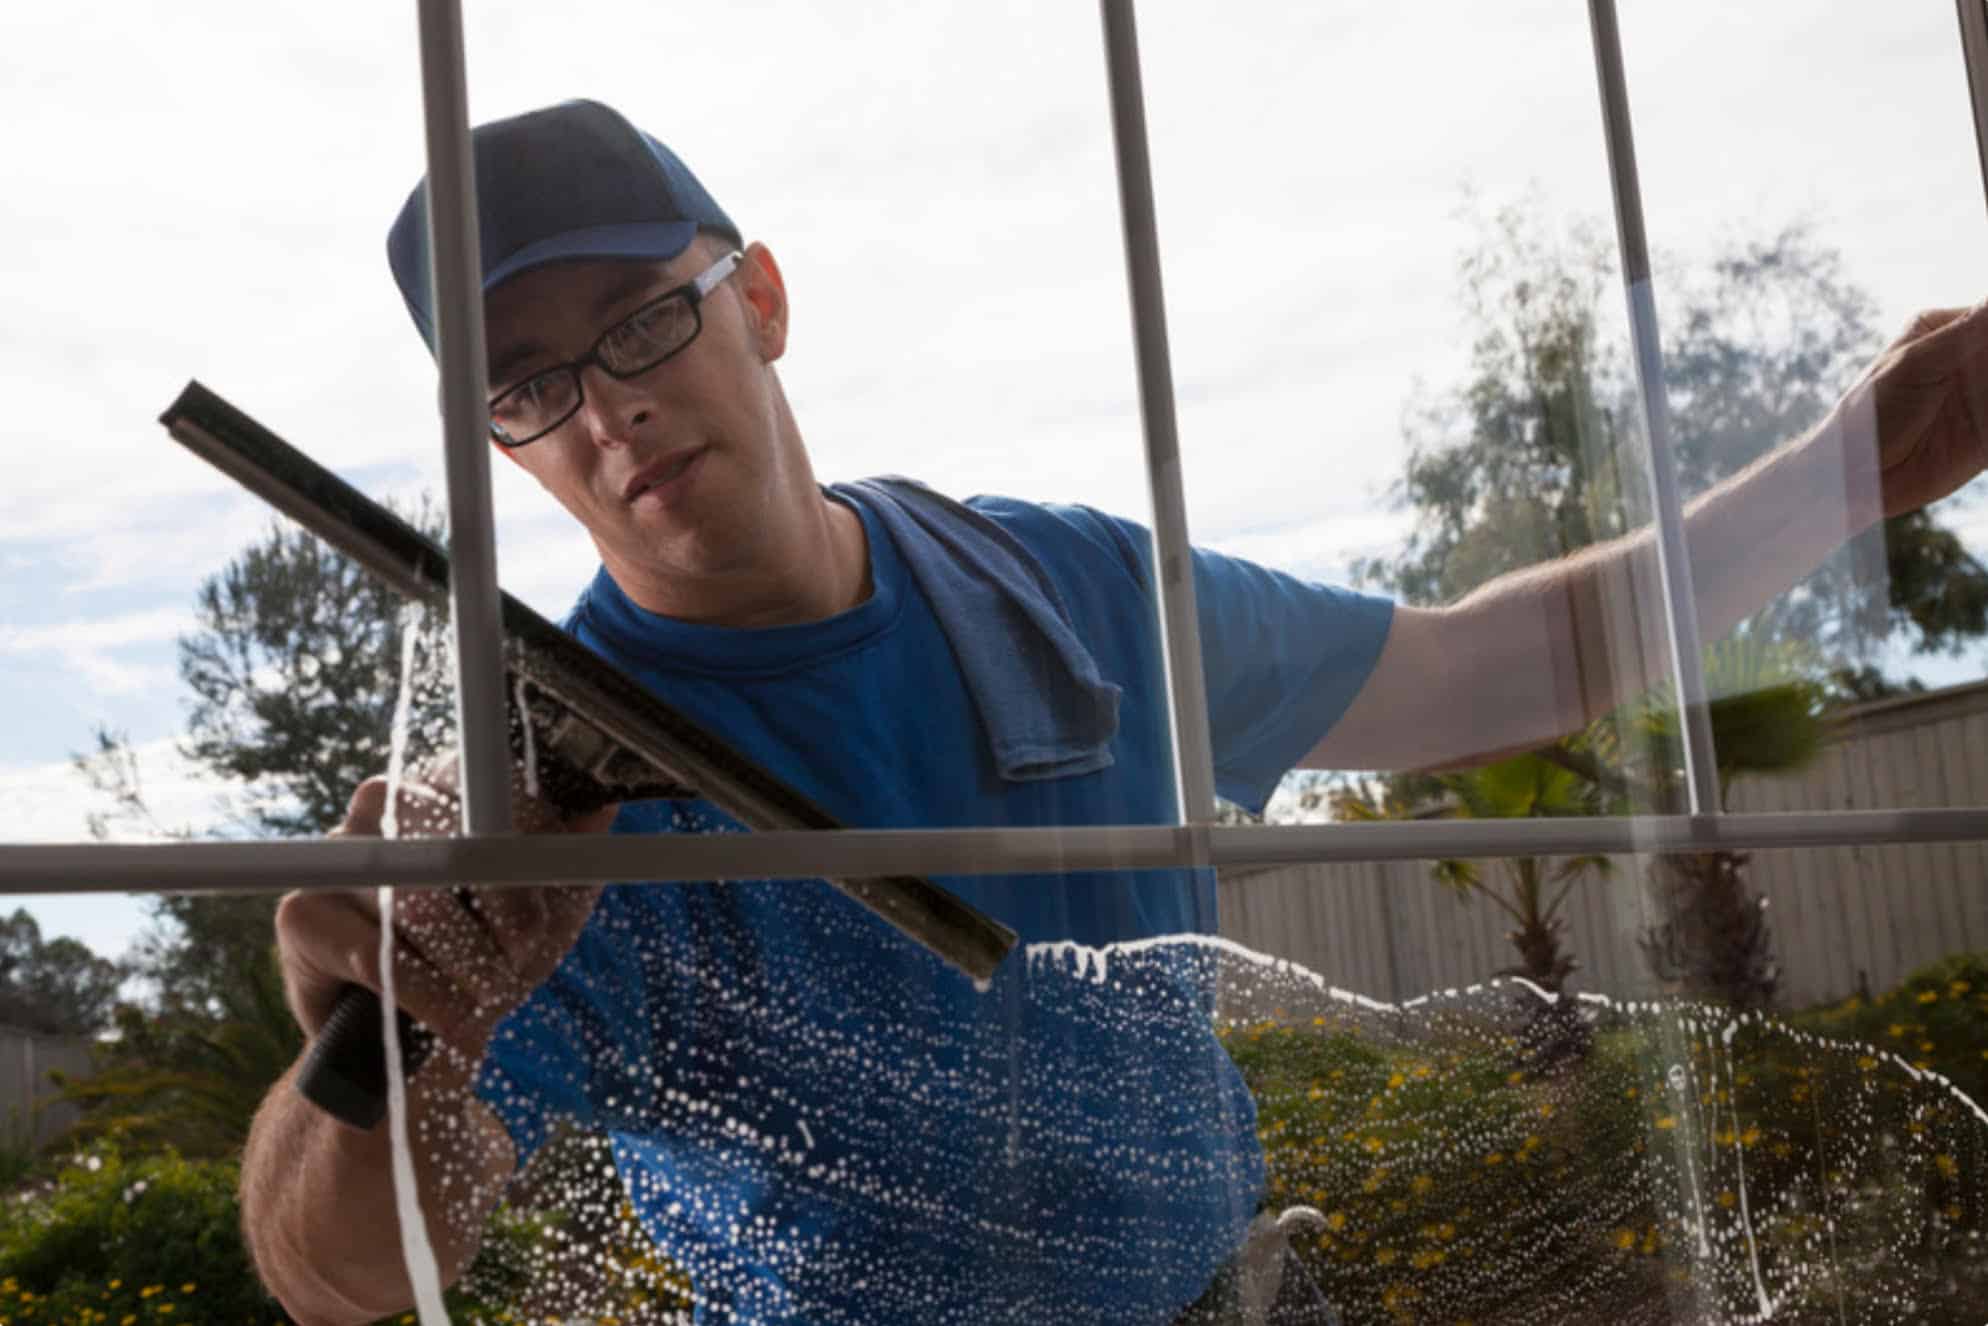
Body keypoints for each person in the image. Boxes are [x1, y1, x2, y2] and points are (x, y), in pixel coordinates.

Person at [238, 98, 1988, 1326]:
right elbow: (339, 1272)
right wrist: (395, 1031)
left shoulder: (1061, 585)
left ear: (760, 300)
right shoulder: (549, 816)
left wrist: (1856, 469)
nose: (601, 412)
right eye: (528, 386)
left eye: (637, 325)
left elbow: (1493, 668)